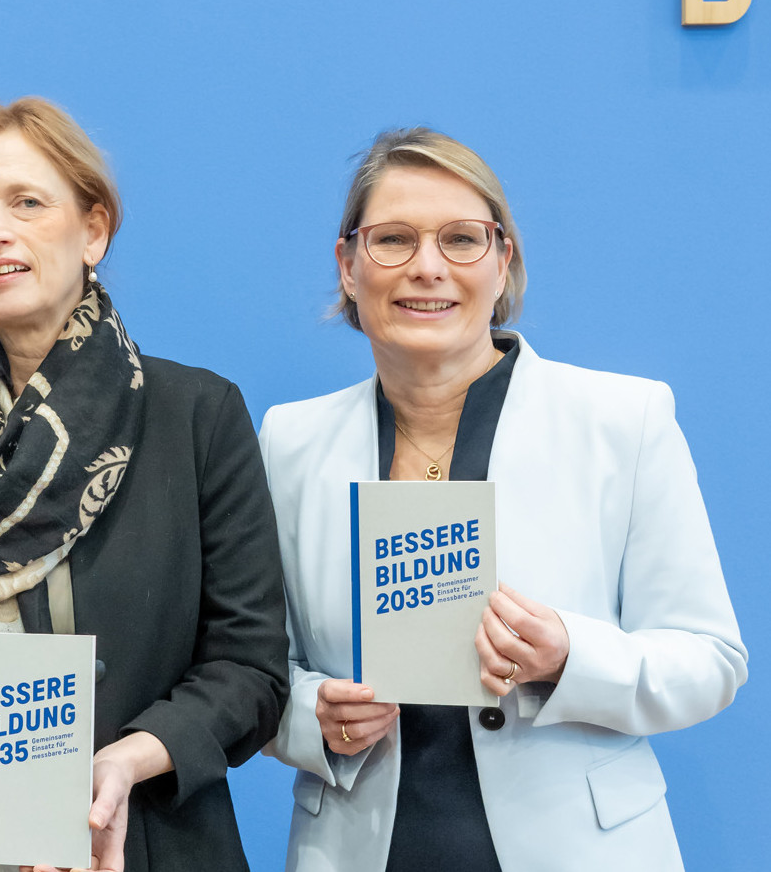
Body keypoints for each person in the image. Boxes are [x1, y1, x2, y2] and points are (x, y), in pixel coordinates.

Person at [260, 127, 748, 871]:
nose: (428, 268)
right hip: (360, 850)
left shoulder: (623, 422)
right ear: (349, 265)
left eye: (461, 239)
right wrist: (310, 715)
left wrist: (569, 656)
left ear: (502, 262)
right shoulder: (290, 443)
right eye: (393, 239)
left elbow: (710, 660)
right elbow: (256, 667)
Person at [0, 98, 288, 872]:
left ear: (94, 230)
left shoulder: (196, 414)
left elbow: (249, 665)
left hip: (137, 839)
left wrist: (125, 763)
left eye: (26, 203)